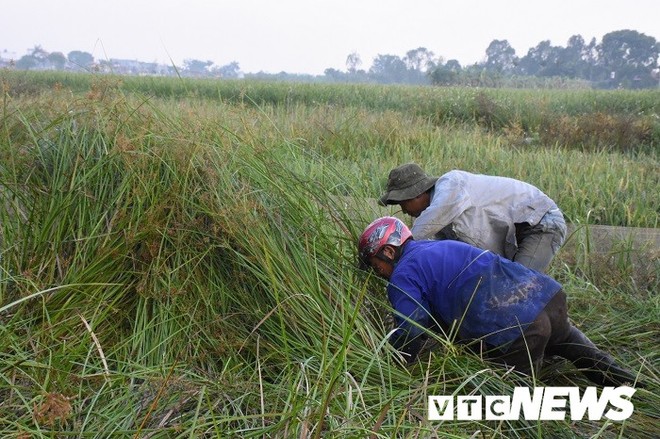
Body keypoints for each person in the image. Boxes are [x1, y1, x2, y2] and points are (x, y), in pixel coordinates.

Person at [357, 216, 637, 387]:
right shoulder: (435, 246)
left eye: (373, 264)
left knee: (514, 407)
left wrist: (392, 366)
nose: (376, 272)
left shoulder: (403, 275)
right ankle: (635, 387)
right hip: (547, 300)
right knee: (588, 357)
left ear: (389, 252)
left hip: (520, 329)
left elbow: (412, 326)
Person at [378, 163, 567, 273]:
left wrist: (396, 250)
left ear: (416, 193)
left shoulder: (450, 184)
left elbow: (429, 221)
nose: (404, 211)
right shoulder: (445, 228)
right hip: (519, 235)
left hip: (539, 222)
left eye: (403, 204)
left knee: (518, 285)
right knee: (504, 284)